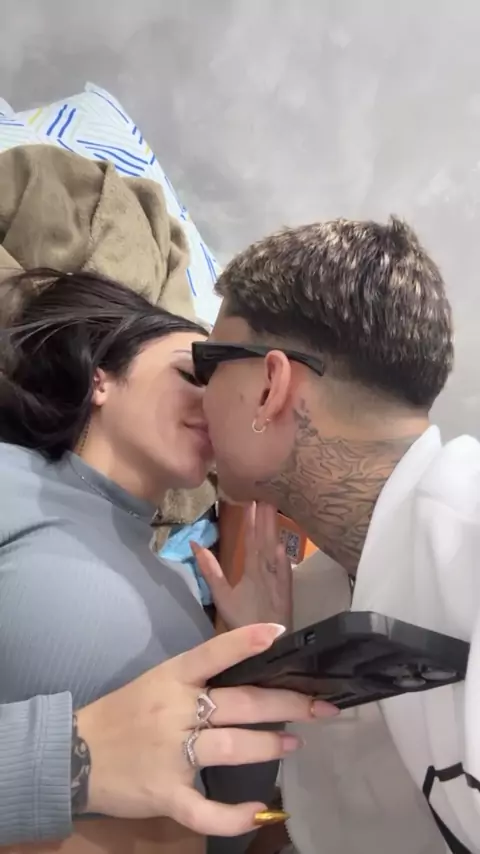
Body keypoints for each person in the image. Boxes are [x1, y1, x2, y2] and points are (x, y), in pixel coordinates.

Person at [0, 270, 337, 854]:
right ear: (101, 376)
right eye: (195, 374)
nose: (219, 402)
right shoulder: (12, 480)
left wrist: (257, 655)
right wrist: (67, 759)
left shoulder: (180, 588)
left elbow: (225, 818)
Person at [194, 217, 480, 853]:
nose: (197, 398)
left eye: (206, 365)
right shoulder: (320, 590)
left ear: (270, 386)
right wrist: (267, 661)